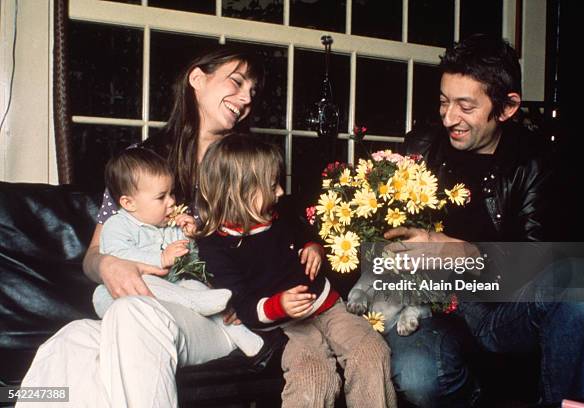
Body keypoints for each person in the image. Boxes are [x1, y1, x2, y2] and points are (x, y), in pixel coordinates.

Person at [18, 47, 265, 408]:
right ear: (197, 79)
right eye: (237, 82)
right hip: (150, 305)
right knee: (70, 341)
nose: (246, 99)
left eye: (253, 93)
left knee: (131, 312)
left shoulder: (247, 165)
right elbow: (93, 256)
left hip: (218, 317)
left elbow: (271, 243)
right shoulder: (143, 161)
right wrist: (106, 264)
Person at [383, 34, 584, 407]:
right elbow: (382, 235)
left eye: (465, 106)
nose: (448, 117)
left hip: (503, 310)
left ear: (506, 108)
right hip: (434, 307)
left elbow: (542, 261)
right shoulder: (419, 148)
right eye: (443, 101)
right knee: (420, 377)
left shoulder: (537, 161)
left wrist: (461, 252)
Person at [196, 134, 397, 408]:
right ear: (239, 192)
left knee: (372, 351)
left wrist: (313, 246)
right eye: (271, 185)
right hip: (288, 327)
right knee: (312, 377)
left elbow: (305, 232)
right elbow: (242, 304)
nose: (280, 191)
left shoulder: (284, 212)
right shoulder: (214, 245)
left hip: (329, 305)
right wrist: (279, 306)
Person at [91, 147, 263, 356]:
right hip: (126, 294)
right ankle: (197, 302)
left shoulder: (168, 226)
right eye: (161, 197)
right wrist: (160, 258)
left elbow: (188, 261)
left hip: (172, 290)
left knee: (193, 285)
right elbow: (118, 255)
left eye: (171, 193)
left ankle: (244, 338)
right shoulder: (116, 225)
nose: (172, 202)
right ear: (129, 203)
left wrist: (189, 237)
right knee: (140, 285)